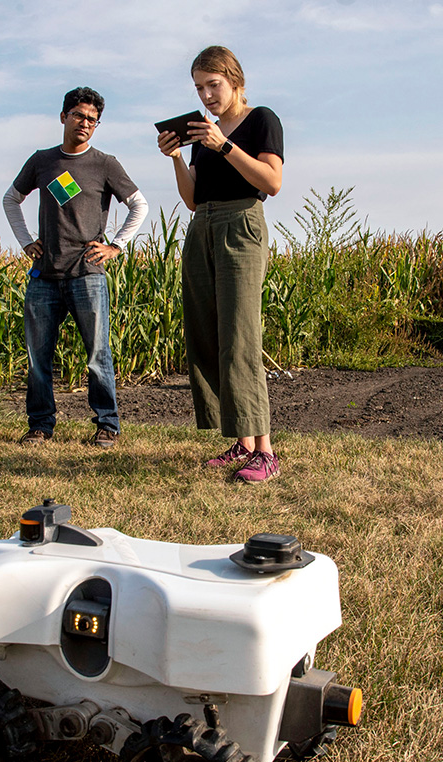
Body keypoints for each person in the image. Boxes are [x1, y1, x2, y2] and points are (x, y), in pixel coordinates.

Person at [157, 46, 284, 482]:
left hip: (241, 223)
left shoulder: (261, 119)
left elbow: (271, 181)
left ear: (235, 80)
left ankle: (265, 451)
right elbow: (192, 199)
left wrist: (224, 144)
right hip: (203, 227)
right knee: (207, 332)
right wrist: (176, 156)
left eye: (214, 85)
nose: (207, 95)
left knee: (240, 335)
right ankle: (241, 443)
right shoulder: (204, 131)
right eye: (199, 88)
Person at [3, 87, 148, 448]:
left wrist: (115, 246)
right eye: (79, 116)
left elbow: (139, 205)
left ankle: (107, 426)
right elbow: (11, 199)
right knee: (38, 358)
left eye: (92, 120)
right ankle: (40, 426)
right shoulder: (42, 161)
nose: (85, 124)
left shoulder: (105, 164)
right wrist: (25, 241)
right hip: (45, 276)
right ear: (64, 116)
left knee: (98, 356)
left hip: (87, 274)